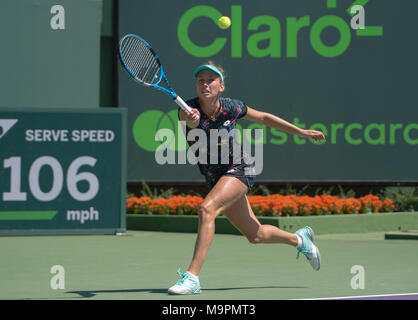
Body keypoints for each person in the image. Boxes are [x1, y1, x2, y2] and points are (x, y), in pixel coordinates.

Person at [168, 61, 325, 295]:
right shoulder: (187, 110)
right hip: (215, 178)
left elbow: (263, 118)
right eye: (201, 80)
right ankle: (300, 240)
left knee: (206, 209)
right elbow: (191, 121)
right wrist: (191, 118)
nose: (205, 84)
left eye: (211, 80)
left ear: (221, 86)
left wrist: (300, 132)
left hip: (239, 169)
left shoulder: (231, 107)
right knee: (256, 235)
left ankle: (192, 277)